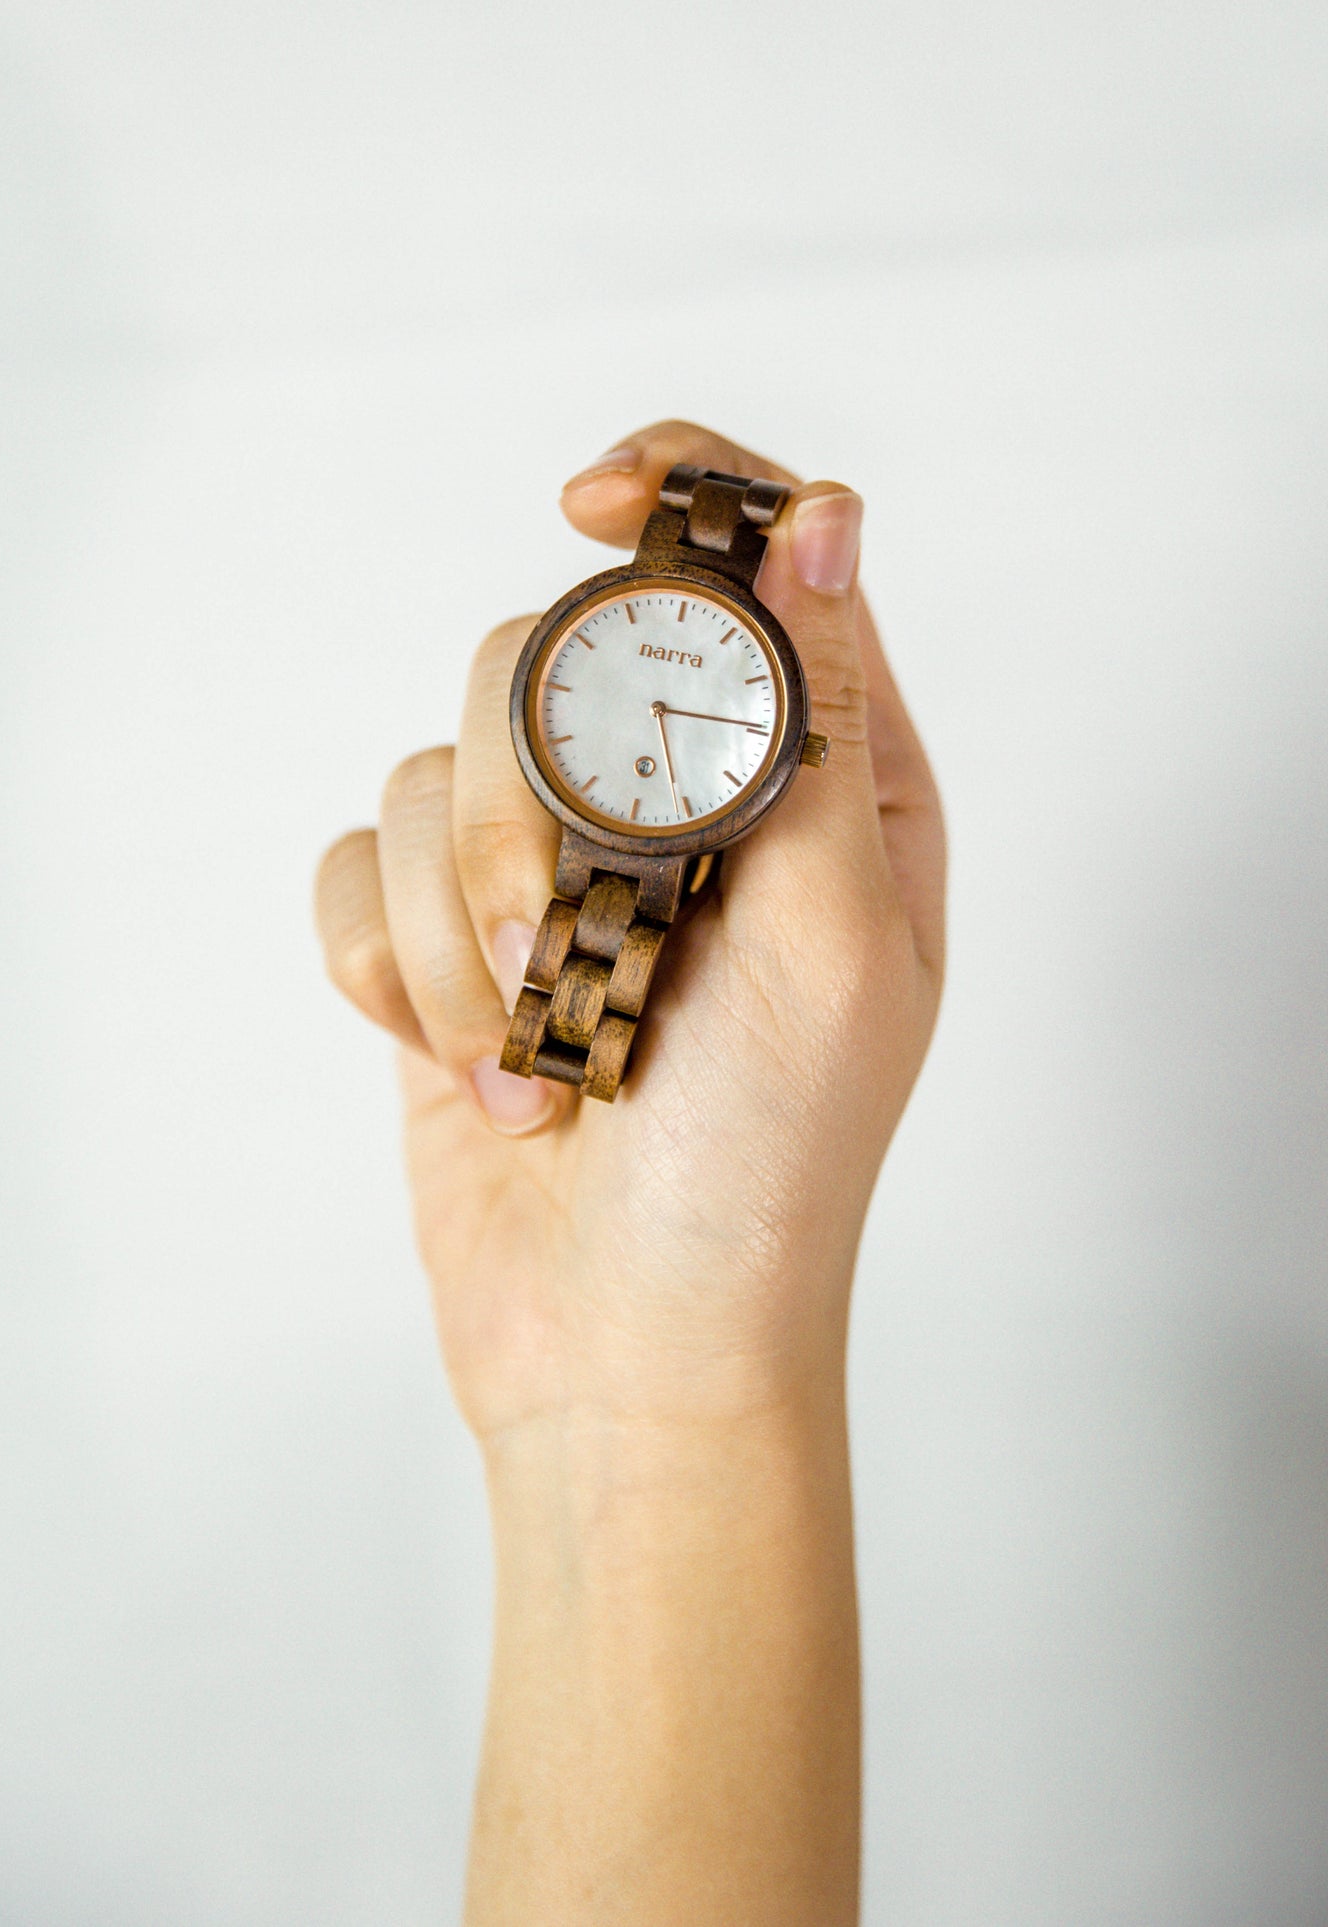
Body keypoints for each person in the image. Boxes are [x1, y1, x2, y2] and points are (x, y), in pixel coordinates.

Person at [313, 420, 946, 1925]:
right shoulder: (614, 714)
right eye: (613, 688)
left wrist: (673, 1394)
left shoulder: (794, 706)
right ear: (557, 703)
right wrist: (635, 1413)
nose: (663, 706)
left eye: (713, 693)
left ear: (789, 724)